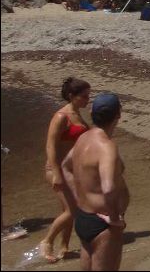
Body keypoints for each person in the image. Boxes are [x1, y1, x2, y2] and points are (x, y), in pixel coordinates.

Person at [61, 93, 128, 271]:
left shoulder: (84, 138)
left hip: (84, 217)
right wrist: (114, 219)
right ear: (118, 114)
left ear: (92, 112)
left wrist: (77, 199)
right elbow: (108, 188)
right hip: (103, 223)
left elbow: (65, 166)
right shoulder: (107, 147)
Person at [40, 78, 91, 263]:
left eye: (88, 95)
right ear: (72, 96)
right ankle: (46, 242)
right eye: (84, 96)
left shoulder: (78, 114)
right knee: (72, 210)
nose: (87, 99)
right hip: (56, 169)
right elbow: (50, 147)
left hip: (72, 170)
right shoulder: (61, 116)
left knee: (67, 209)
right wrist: (57, 174)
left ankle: (64, 248)